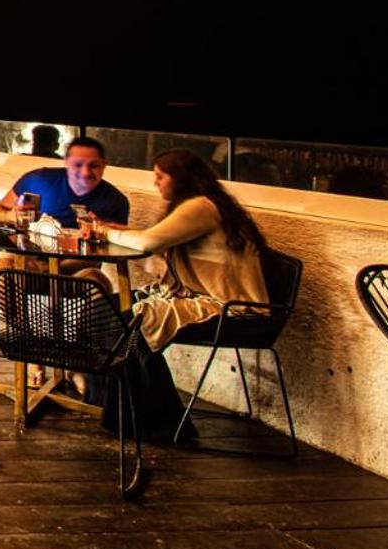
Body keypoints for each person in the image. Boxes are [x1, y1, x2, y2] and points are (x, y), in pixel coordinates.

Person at [97, 148, 272, 441]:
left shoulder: (202, 207)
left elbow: (149, 242)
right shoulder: (199, 205)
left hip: (234, 309)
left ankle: (161, 424)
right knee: (111, 308)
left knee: (130, 320)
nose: (156, 183)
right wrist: (123, 231)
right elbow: (159, 238)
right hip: (203, 298)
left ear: (179, 178)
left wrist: (104, 232)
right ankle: (120, 412)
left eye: (160, 176)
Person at [0, 136, 129, 229]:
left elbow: (114, 251)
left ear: (104, 165)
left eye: (94, 166)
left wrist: (103, 231)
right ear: (66, 163)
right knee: (4, 261)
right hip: (24, 251)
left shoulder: (116, 201)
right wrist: (9, 216)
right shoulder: (38, 180)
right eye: (78, 165)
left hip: (78, 261)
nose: (85, 173)